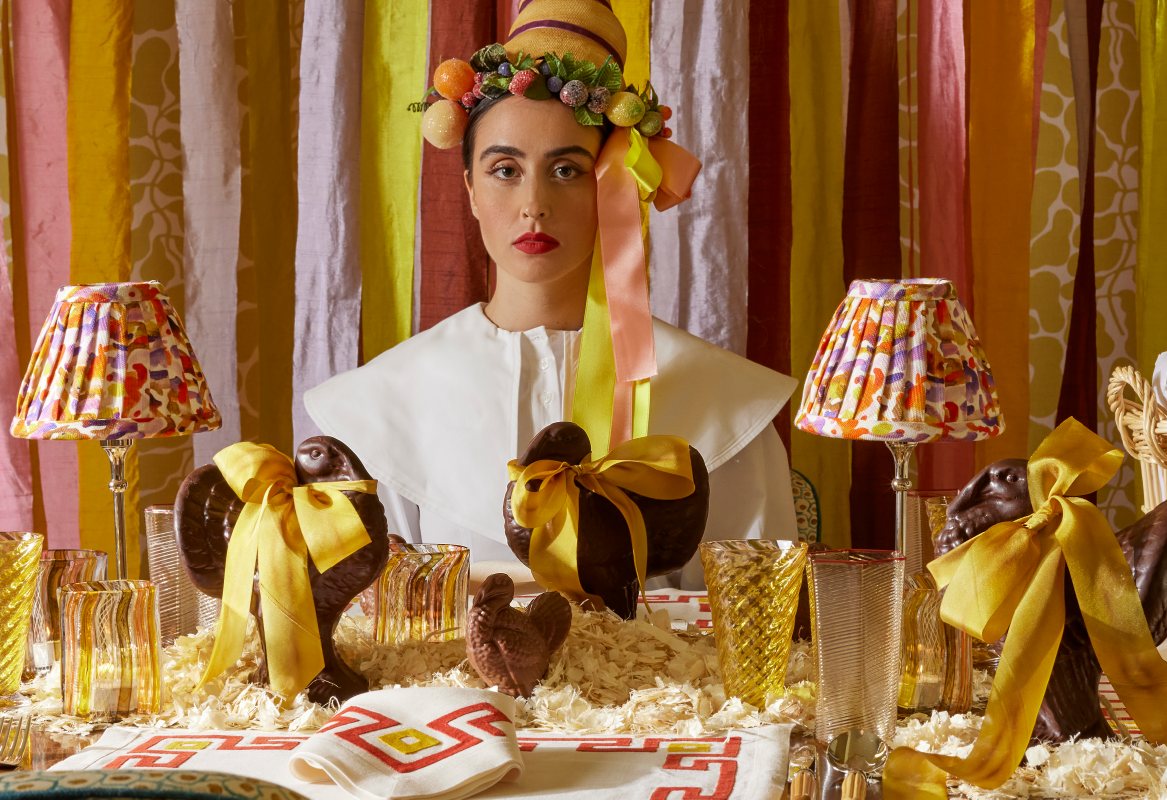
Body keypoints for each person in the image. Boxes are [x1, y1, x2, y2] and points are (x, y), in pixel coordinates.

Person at [304, 0, 797, 591]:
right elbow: (365, 631)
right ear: (469, 189)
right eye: (505, 169)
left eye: (566, 170)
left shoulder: (723, 405)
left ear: (613, 185)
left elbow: (760, 630)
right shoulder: (381, 406)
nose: (533, 204)